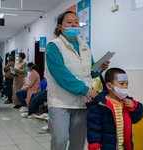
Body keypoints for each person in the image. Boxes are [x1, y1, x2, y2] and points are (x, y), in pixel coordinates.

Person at [45, 11, 109, 150]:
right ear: (60, 26)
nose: (73, 25)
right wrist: (85, 89)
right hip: (60, 102)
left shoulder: (85, 47)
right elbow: (61, 74)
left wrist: (99, 68)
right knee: (60, 139)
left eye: (76, 22)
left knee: (78, 143)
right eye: (69, 22)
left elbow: (88, 72)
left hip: (82, 102)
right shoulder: (54, 46)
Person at [86, 68, 143, 150]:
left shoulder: (127, 102)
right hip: (107, 147)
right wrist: (95, 145)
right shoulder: (100, 105)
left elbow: (136, 119)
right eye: (121, 84)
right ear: (109, 86)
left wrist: (134, 106)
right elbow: (94, 128)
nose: (125, 87)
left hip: (125, 147)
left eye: (127, 84)